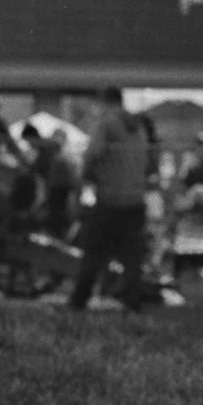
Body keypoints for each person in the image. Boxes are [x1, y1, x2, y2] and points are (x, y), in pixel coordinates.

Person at [67, 88, 152, 311]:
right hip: (136, 200)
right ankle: (134, 303)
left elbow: (92, 155)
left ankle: (78, 301)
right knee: (132, 257)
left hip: (110, 199)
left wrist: (84, 178)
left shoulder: (106, 125)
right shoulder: (138, 128)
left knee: (93, 252)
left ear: (104, 103)